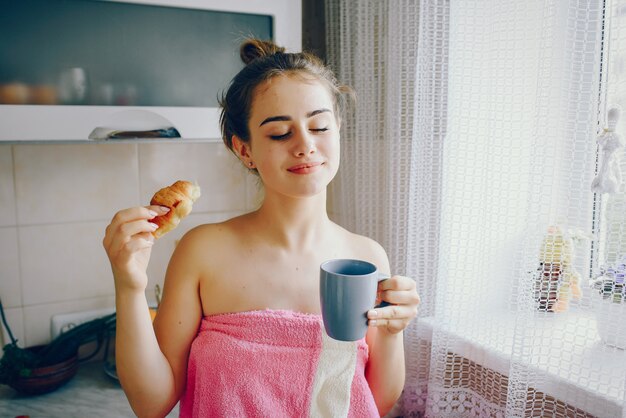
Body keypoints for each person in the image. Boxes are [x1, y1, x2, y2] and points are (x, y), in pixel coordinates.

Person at [103, 38, 421, 418]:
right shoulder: (202, 251)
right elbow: (150, 403)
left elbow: (375, 402)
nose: (305, 145)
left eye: (319, 126)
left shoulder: (366, 259)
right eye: (279, 133)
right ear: (244, 150)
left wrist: (391, 331)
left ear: (337, 128)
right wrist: (129, 285)